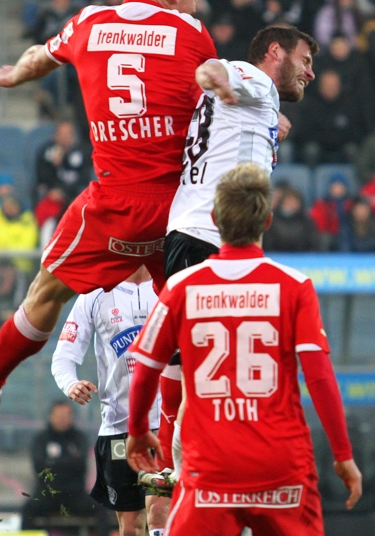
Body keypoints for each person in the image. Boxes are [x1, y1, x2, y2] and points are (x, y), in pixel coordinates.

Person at [0, 0, 218, 414]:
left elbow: (37, 58)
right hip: (178, 210)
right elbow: (218, 94)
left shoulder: (90, 22)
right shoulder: (192, 35)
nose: (196, 7)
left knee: (47, 291)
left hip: (113, 204)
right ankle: (187, 438)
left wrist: (12, 77)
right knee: (185, 324)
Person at [126, 163, 363, 536]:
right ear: (267, 221)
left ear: (216, 218)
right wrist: (343, 454)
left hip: (211, 468)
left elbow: (145, 368)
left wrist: (138, 428)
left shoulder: (181, 287)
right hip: (280, 466)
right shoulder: (295, 286)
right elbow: (319, 377)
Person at [154, 24, 317, 492]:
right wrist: (222, 81)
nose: (309, 72)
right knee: (207, 369)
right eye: (304, 60)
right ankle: (185, 474)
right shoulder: (254, 77)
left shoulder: (261, 99)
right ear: (274, 52)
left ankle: (180, 471)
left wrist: (272, 121)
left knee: (195, 365)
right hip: (208, 234)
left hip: (196, 232)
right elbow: (211, 69)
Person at [52, 266, 170, 536]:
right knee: (130, 525)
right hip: (118, 428)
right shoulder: (95, 293)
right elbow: (63, 357)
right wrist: (72, 383)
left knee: (159, 512)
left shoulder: (171, 285)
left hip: (165, 424)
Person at [21, 399, 109, 536]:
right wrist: (67, 464)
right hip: (48, 493)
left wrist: (53, 464)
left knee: (101, 509)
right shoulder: (41, 439)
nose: (62, 419)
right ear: (51, 416)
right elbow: (39, 467)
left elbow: (80, 465)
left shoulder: (79, 438)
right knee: (28, 509)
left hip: (74, 494)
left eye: (66, 416)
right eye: (59, 416)